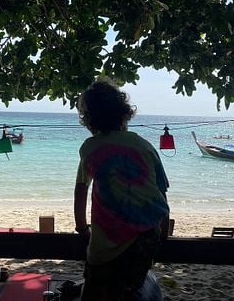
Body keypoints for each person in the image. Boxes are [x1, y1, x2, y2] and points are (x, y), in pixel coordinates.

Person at [73, 78, 169, 301]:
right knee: (128, 289)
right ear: (123, 113)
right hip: (147, 236)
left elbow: (80, 192)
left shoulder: (90, 148)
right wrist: (161, 234)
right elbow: (161, 192)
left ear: (88, 119)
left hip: (107, 240)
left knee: (94, 286)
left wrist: (82, 229)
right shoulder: (145, 146)